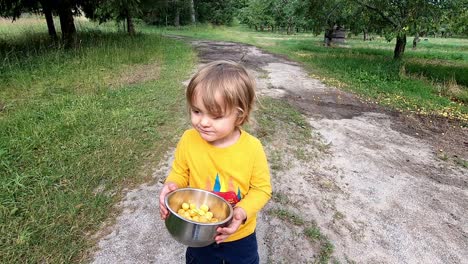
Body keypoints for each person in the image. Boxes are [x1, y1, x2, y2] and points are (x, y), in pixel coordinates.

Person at [158, 60, 272, 264]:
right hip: (197, 234)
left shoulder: (252, 148)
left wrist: (240, 213)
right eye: (197, 111)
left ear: (239, 115)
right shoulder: (188, 139)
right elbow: (180, 172)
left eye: (216, 115)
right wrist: (171, 185)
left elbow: (262, 189)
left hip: (239, 235)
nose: (202, 122)